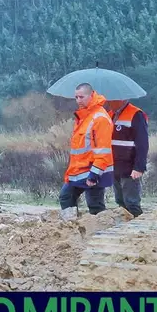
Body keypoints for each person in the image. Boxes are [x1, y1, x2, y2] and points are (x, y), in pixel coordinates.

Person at [59, 83, 114, 219]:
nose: (78, 100)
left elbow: (103, 150)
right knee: (66, 197)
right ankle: (70, 227)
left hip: (93, 171)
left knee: (95, 205)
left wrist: (94, 174)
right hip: (79, 170)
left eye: (81, 97)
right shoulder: (84, 117)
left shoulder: (100, 118)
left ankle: (101, 232)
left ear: (91, 95)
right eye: (76, 97)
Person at [105, 98, 149, 217]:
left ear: (122, 99)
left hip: (130, 168)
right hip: (114, 166)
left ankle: (138, 228)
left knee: (131, 203)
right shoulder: (110, 114)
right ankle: (125, 228)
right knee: (120, 201)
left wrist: (139, 167)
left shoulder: (136, 114)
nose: (109, 103)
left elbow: (142, 144)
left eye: (111, 100)